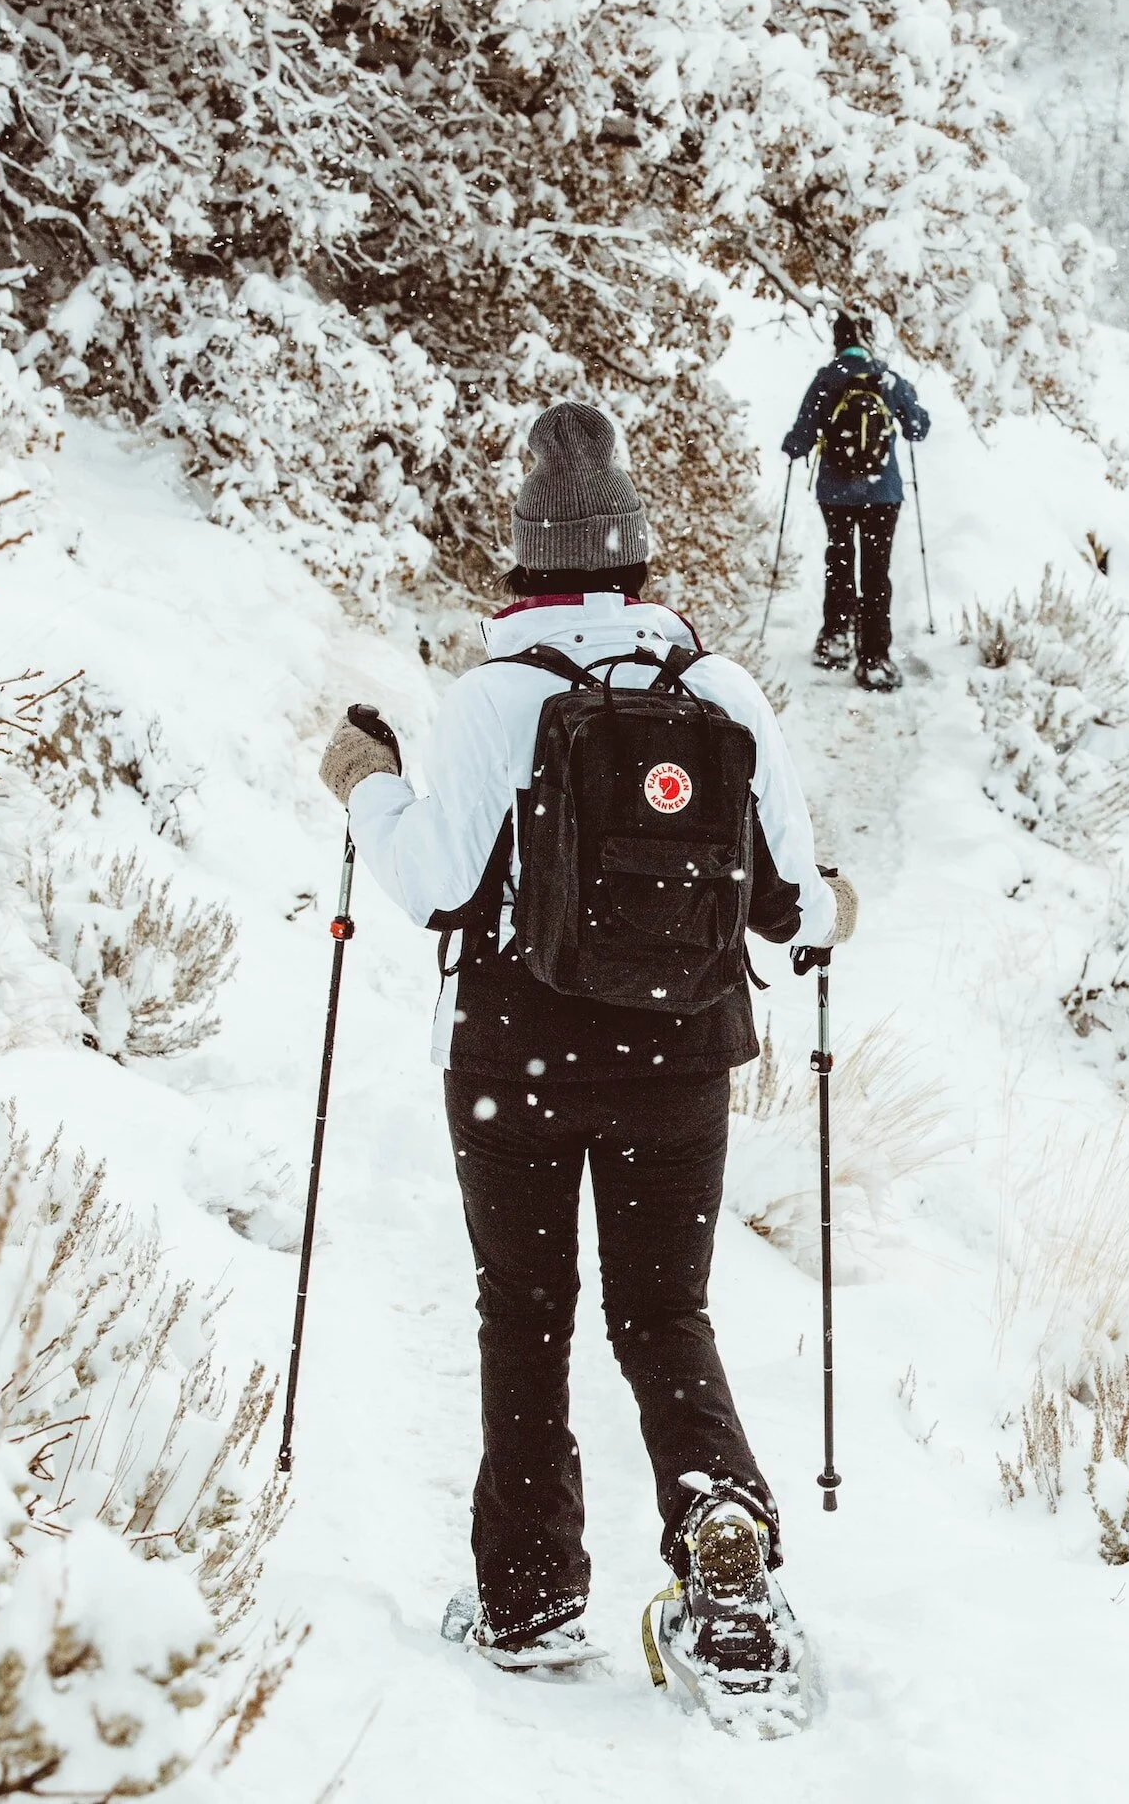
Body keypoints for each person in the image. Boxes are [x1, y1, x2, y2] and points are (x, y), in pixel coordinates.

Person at [315, 401, 857, 1699]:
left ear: (523, 556)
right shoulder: (719, 689)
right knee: (664, 1310)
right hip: (681, 1062)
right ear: (636, 554)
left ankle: (530, 1596)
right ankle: (719, 1519)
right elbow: (794, 908)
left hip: (515, 1060)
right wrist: (839, 901)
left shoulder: (493, 696)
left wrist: (364, 783)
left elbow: (441, 888)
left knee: (527, 1310)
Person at [780, 312, 931, 692]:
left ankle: (835, 639)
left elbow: (802, 435)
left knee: (840, 560)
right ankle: (875, 658)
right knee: (877, 571)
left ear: (837, 340)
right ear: (869, 338)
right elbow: (917, 428)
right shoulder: (886, 377)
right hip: (883, 493)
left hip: (836, 493)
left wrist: (793, 445)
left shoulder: (828, 377)